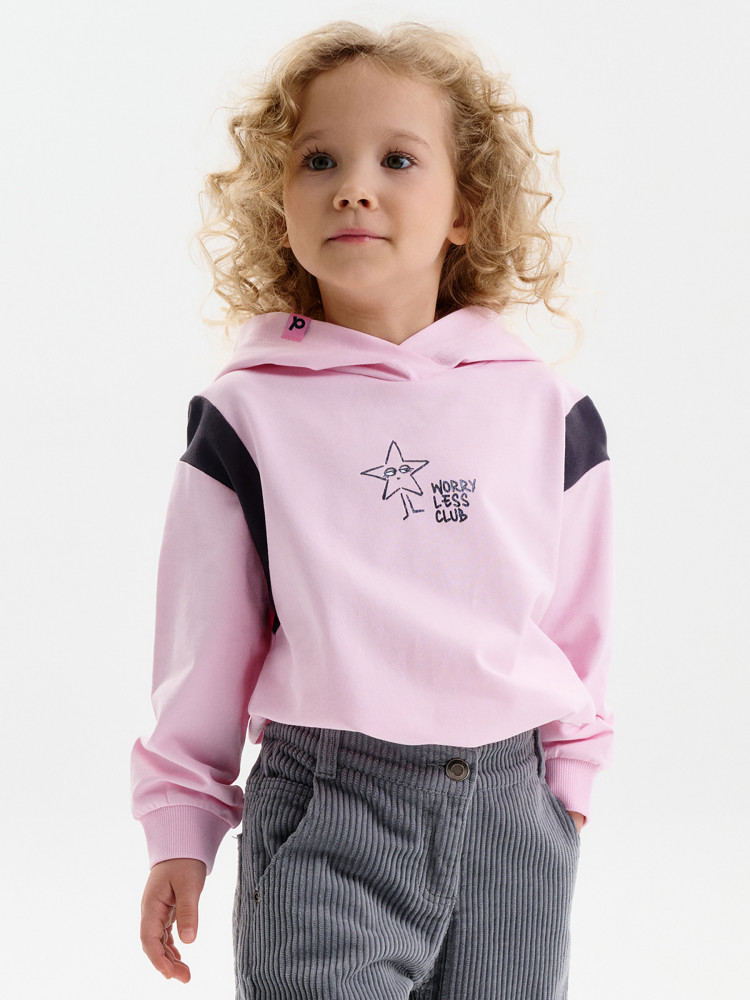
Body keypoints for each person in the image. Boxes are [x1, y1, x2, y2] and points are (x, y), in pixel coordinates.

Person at [131, 19, 614, 1000]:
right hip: (330, 811)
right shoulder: (248, 415)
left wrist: (568, 788)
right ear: (280, 207)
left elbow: (576, 618)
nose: (354, 186)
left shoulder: (546, 408)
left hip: (512, 819)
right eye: (319, 160)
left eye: (398, 159)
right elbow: (203, 642)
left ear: (465, 209)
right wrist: (182, 823)